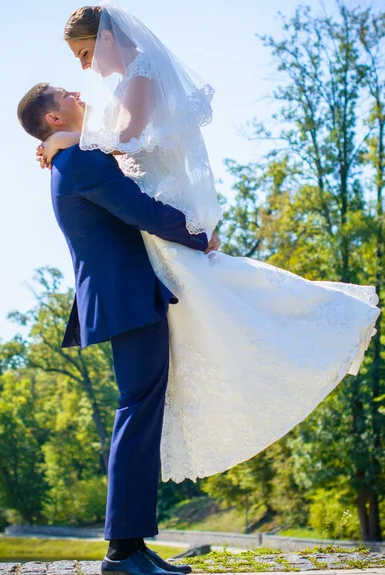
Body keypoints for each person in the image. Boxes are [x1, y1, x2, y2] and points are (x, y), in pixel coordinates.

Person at [36, 3, 381, 486]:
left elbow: (125, 142)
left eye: (86, 52)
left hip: (160, 213)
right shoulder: (121, 86)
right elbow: (110, 139)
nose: (84, 66)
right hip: (152, 220)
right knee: (209, 311)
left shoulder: (141, 73)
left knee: (220, 301)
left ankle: (317, 322)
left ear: (108, 38)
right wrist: (68, 137)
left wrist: (68, 138)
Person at [17, 83, 219, 575]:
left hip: (125, 298)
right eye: (62, 94)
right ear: (51, 118)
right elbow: (142, 212)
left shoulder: (74, 156)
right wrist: (201, 236)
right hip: (126, 299)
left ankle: (133, 546)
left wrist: (63, 142)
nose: (74, 89)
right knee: (136, 412)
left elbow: (111, 148)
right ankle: (119, 553)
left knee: (141, 412)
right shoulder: (79, 164)